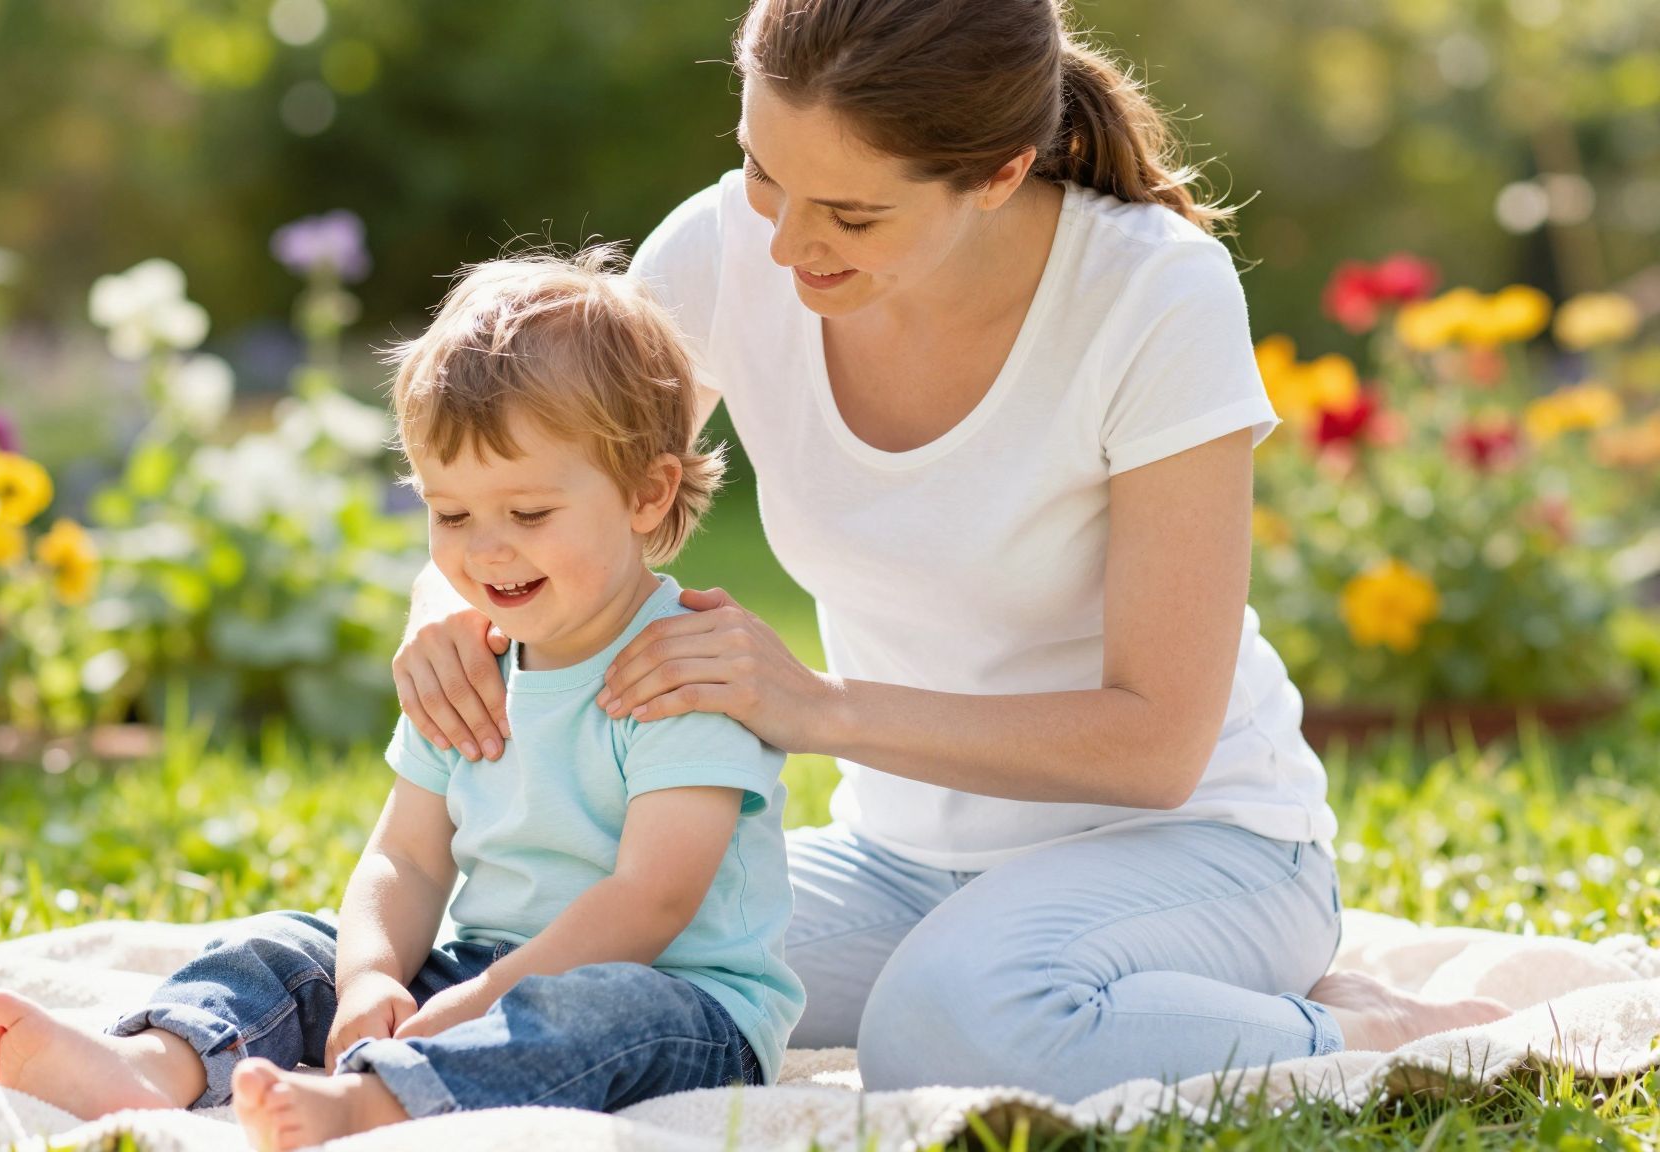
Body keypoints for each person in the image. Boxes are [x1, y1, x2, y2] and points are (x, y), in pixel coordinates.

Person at [389, 0, 1508, 1102]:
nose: (782, 240)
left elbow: (1158, 743)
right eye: (761, 169)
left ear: (998, 174)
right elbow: (533, 473)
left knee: (950, 1026)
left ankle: (1363, 1029)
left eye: (850, 213)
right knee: (567, 946)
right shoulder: (724, 252)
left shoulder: (1148, 293)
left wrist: (817, 708)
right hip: (893, 859)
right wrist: (441, 613)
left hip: (1193, 846)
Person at [0, 252, 803, 1149]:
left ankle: (374, 1105)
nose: (486, 552)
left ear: (649, 493)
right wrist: (373, 974)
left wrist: (481, 1004)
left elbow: (651, 901)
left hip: (677, 1006)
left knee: (591, 1012)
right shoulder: (470, 659)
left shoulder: (685, 666)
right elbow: (406, 858)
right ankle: (157, 1064)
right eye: (452, 515)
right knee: (290, 946)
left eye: (528, 515)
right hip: (481, 966)